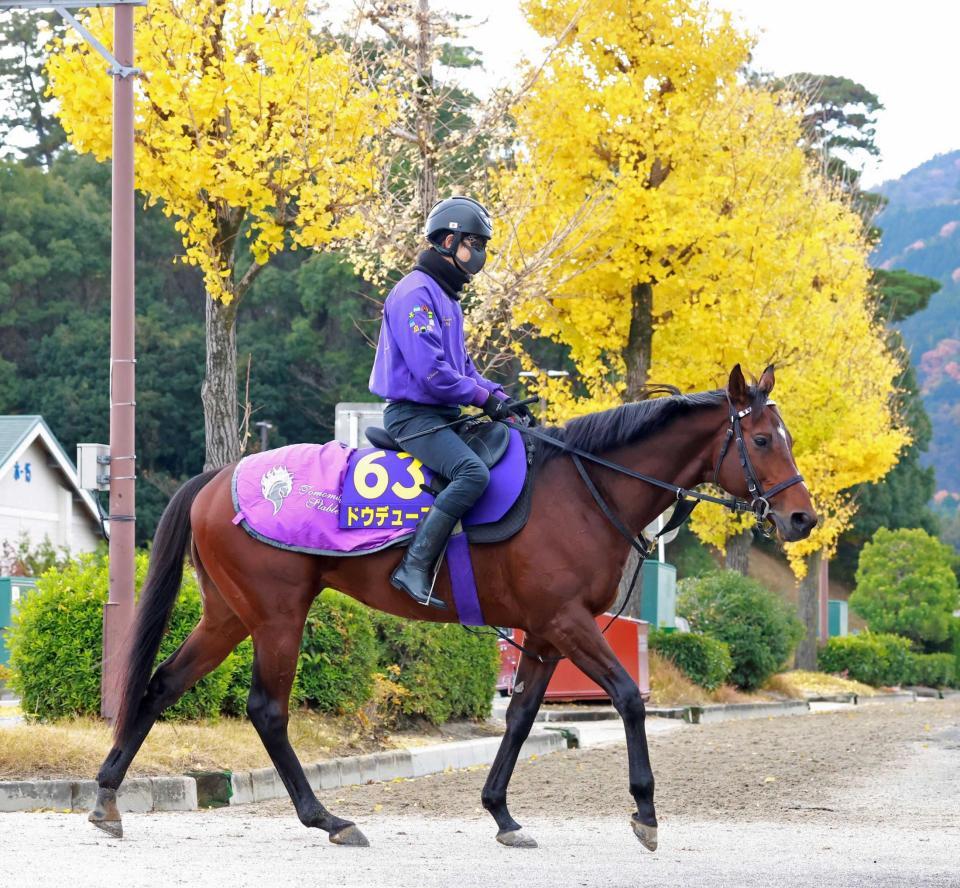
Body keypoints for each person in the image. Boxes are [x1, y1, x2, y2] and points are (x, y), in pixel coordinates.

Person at [369, 196, 530, 608]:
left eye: (483, 245)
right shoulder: (415, 294)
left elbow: (464, 368)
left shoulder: (447, 298)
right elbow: (433, 373)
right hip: (413, 418)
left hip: (442, 415)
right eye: (475, 243)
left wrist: (503, 400)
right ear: (448, 241)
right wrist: (482, 399)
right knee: (472, 474)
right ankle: (413, 566)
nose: (481, 253)